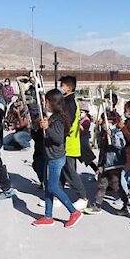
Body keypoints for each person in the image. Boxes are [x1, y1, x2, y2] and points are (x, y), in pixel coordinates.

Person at [32, 89, 83, 228]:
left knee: (54, 187)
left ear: (53, 103)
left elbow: (58, 138)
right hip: (49, 155)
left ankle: (74, 212)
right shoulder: (53, 117)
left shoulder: (59, 119)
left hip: (55, 157)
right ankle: (48, 216)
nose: (44, 103)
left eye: (46, 101)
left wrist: (47, 128)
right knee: (48, 187)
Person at [84, 111, 129, 215]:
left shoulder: (117, 132)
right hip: (106, 163)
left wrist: (112, 135)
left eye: (105, 120)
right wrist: (100, 164)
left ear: (111, 122)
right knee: (102, 184)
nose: (103, 122)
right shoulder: (104, 133)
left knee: (116, 185)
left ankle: (127, 204)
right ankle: (97, 205)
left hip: (115, 163)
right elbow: (102, 149)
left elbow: (120, 144)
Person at [59, 76, 88, 210]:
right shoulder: (66, 101)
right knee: (61, 170)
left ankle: (83, 197)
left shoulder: (70, 103)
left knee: (70, 171)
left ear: (69, 87)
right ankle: (58, 195)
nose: (61, 87)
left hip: (69, 143)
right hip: (67, 142)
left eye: (62, 85)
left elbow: (67, 124)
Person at [78, 105, 98, 173]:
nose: (80, 113)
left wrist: (79, 126)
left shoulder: (86, 121)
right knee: (86, 158)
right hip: (81, 140)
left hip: (83, 141)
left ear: (86, 112)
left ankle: (97, 170)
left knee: (87, 158)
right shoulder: (81, 119)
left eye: (82, 112)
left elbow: (84, 130)